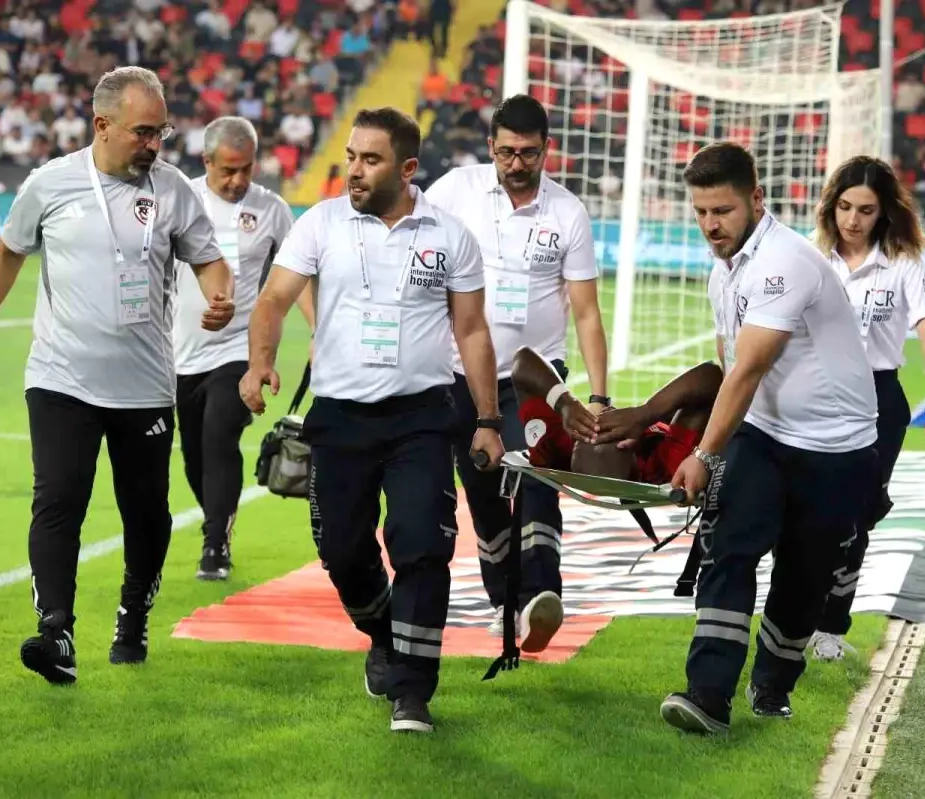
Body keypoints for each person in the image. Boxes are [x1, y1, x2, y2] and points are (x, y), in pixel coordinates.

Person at [239, 107, 504, 734]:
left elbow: (471, 329)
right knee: (341, 551)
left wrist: (488, 419)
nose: (354, 170)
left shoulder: (451, 236)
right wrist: (260, 363)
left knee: (421, 546)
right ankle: (384, 632)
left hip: (419, 419)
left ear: (407, 168)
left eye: (370, 159)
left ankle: (412, 691)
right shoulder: (321, 224)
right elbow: (274, 298)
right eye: (352, 156)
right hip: (338, 418)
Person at [0, 65, 235, 685]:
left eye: (162, 133)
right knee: (59, 500)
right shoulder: (50, 185)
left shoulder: (174, 189)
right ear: (102, 125)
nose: (155, 145)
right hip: (61, 377)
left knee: (147, 514)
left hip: (146, 385)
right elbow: (6, 254)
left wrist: (219, 296)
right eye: (143, 132)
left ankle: (132, 618)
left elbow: (209, 260)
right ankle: (57, 634)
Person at [657, 142, 880, 735]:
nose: (710, 226)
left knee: (802, 579)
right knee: (729, 547)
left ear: (757, 199)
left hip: (836, 448)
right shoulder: (722, 270)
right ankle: (707, 696)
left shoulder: (785, 262)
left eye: (722, 211)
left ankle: (773, 683)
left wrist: (703, 454)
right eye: (701, 212)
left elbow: (749, 368)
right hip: (764, 433)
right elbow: (729, 365)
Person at [424, 94, 609, 653]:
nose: (517, 163)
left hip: (536, 377)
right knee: (481, 495)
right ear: (491, 147)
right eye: (506, 151)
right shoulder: (453, 191)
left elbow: (586, 310)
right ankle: (510, 602)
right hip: (457, 374)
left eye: (528, 152)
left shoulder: (567, 212)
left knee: (539, 476)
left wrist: (598, 396)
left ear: (546, 149)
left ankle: (541, 594)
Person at [809, 155, 925, 662]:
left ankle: (830, 627)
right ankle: (797, 616)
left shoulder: (904, 266)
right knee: (809, 514)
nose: (852, 220)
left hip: (879, 401)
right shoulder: (813, 260)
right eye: (845, 207)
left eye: (865, 210)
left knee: (857, 519)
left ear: (884, 213)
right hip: (817, 395)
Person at [171, 116, 304, 581]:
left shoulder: (271, 210)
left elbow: (298, 277)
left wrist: (321, 334)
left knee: (218, 434)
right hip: (178, 354)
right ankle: (219, 521)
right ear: (205, 161)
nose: (239, 180)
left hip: (238, 352)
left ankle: (213, 546)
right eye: (228, 170)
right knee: (193, 455)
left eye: (247, 169)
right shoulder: (178, 200)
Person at [510, 345, 722, 484]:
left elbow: (523, 359)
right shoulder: (662, 466)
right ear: (630, 445)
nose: (606, 414)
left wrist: (565, 403)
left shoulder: (554, 444)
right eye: (610, 426)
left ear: (575, 439)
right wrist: (646, 413)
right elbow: (712, 376)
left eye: (591, 424)